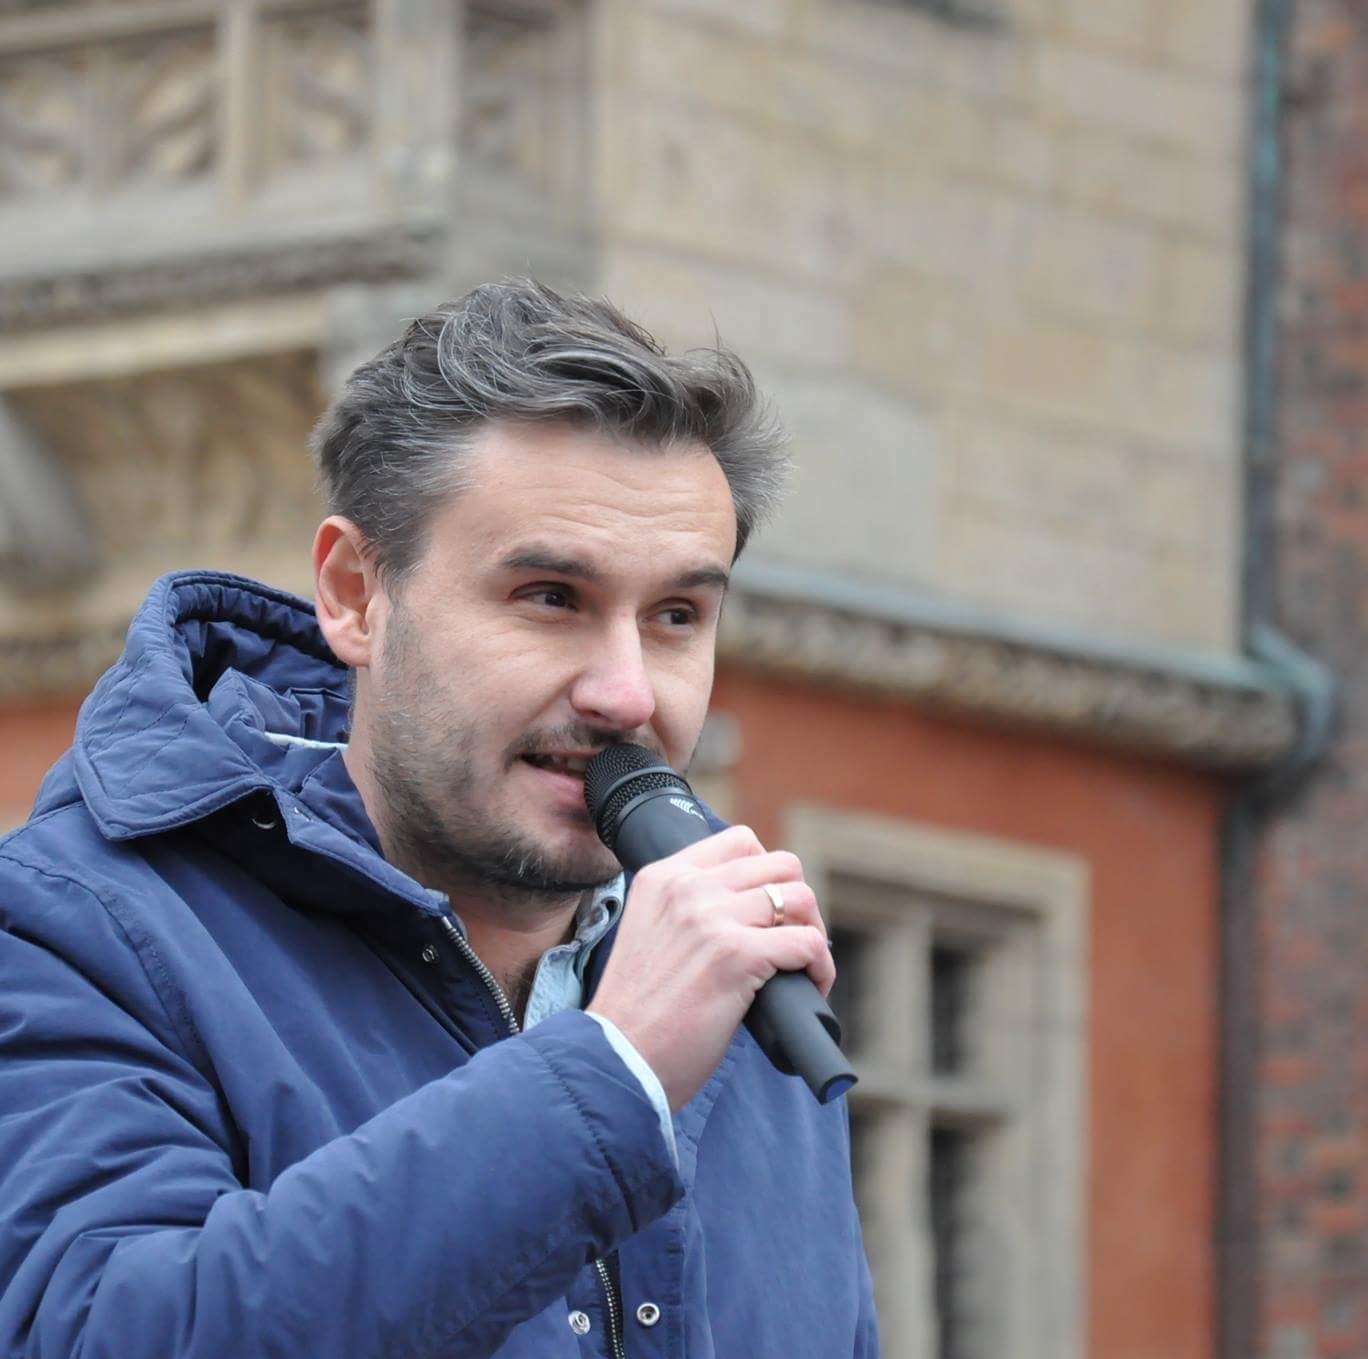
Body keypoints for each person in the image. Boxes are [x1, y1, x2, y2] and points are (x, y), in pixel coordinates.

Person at [0, 280, 878, 1357]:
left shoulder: (743, 988)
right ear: (354, 595)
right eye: (550, 596)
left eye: (676, 615)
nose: (625, 693)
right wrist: (615, 1072)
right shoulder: (67, 928)